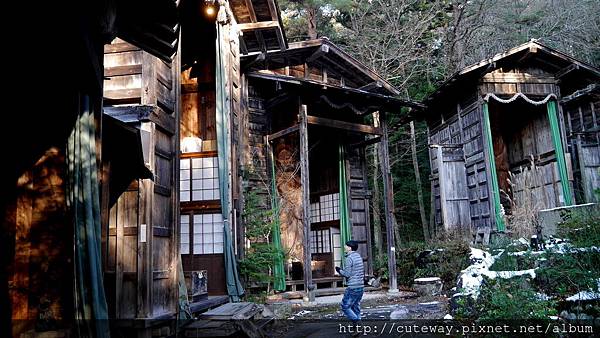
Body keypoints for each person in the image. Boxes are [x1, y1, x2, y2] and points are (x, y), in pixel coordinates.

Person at [335, 240, 365, 325]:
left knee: (345, 307)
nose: (344, 247)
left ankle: (357, 322)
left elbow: (347, 274)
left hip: (353, 287)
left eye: (346, 246)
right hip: (360, 286)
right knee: (356, 306)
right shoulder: (358, 256)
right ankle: (357, 328)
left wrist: (339, 270)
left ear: (349, 248)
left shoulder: (349, 258)